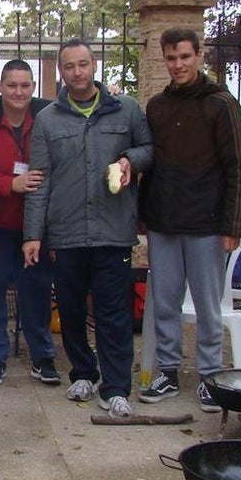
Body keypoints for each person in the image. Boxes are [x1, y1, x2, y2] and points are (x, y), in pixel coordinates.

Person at [22, 40, 152, 419]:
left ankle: (116, 387)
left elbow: (149, 149)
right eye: (69, 66)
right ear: (60, 71)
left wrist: (129, 160)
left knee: (114, 313)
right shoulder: (48, 120)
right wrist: (33, 235)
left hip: (113, 231)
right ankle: (82, 372)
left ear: (94, 65)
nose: (77, 72)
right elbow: (39, 180)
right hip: (66, 233)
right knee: (71, 310)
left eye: (83, 64)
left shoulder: (125, 109)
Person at [138, 28, 241, 412]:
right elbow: (151, 165)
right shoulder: (157, 106)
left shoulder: (221, 105)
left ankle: (210, 375)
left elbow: (239, 167)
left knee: (207, 305)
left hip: (207, 223)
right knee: (165, 301)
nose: (178, 65)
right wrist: (143, 214)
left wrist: (233, 225)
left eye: (185, 56)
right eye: (171, 58)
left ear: (199, 56)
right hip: (164, 222)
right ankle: (168, 371)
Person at [0, 59, 58, 387]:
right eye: (11, 85)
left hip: (37, 225)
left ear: (33, 86)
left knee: (36, 290)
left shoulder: (48, 114)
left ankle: (42, 357)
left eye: (25, 85)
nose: (18, 92)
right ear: (0, 86)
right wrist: (10, 183)